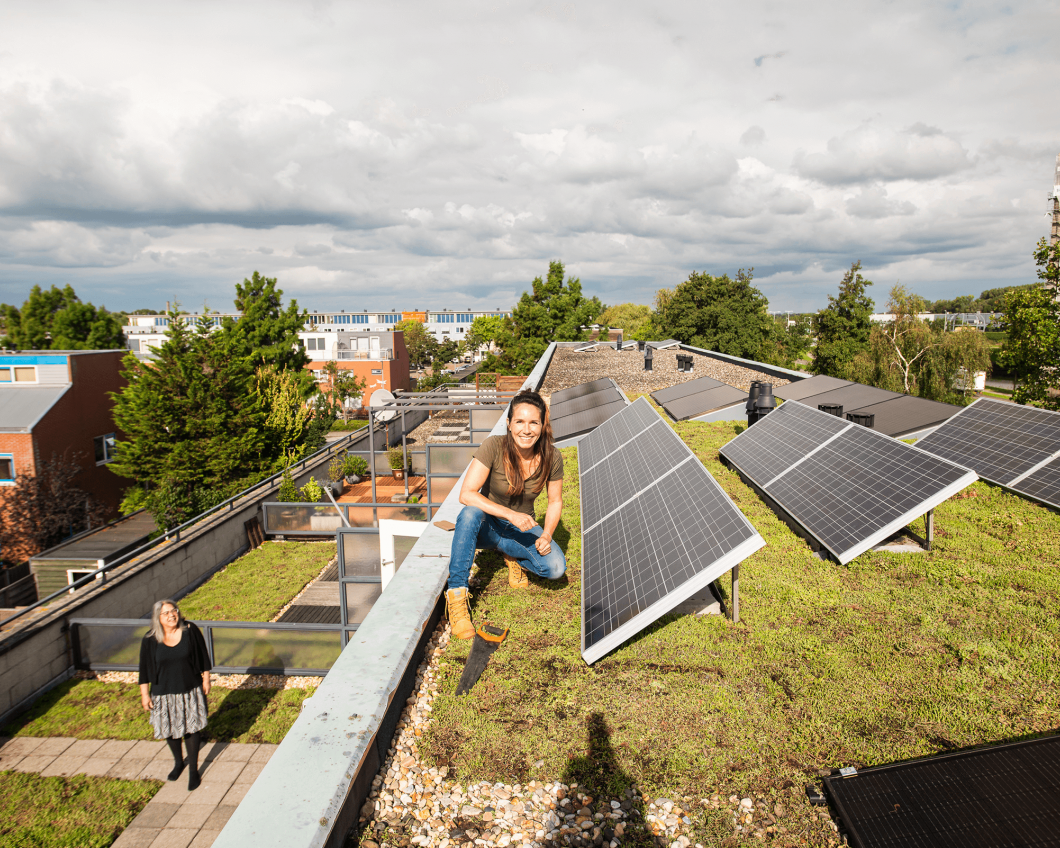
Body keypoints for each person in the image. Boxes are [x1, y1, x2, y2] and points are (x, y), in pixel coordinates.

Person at [446, 389, 566, 639]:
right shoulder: (493, 446)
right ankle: (457, 597)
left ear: (543, 425)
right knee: (469, 514)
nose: (526, 429)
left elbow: (555, 502)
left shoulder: (552, 457)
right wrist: (510, 515)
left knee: (555, 569)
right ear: (509, 424)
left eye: (534, 422)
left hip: (520, 530)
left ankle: (511, 555)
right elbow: (466, 494)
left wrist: (546, 534)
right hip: (487, 526)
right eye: (520, 421)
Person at [138, 599, 212, 790]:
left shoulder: (190, 630)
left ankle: (193, 770)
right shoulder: (150, 639)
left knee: (192, 728)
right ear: (158, 618)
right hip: (163, 693)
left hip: (190, 688)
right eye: (166, 613)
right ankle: (178, 762)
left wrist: (205, 679)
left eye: (174, 611)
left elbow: (203, 655)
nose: (172, 615)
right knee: (169, 729)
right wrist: (145, 694)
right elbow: (144, 669)